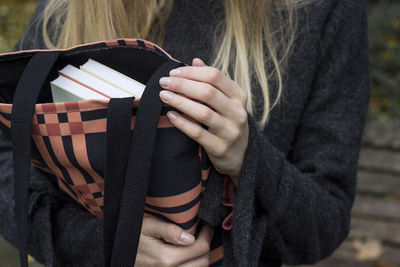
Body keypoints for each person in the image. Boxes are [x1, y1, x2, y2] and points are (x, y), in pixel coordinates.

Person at [0, 0, 369, 266]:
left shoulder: (317, 10)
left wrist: (248, 158)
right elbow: (5, 163)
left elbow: (324, 224)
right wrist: (106, 244)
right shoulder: (67, 8)